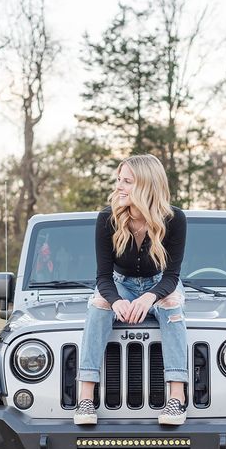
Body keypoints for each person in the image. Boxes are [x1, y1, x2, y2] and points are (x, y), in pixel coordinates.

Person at [74, 154, 188, 426]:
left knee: (172, 304)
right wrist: (115, 302)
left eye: (127, 181)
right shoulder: (107, 219)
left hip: (159, 284)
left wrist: (150, 297)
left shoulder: (174, 219)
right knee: (98, 304)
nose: (119, 187)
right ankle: (86, 396)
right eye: (118, 180)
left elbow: (171, 276)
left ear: (147, 185)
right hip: (120, 283)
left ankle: (177, 396)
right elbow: (103, 277)